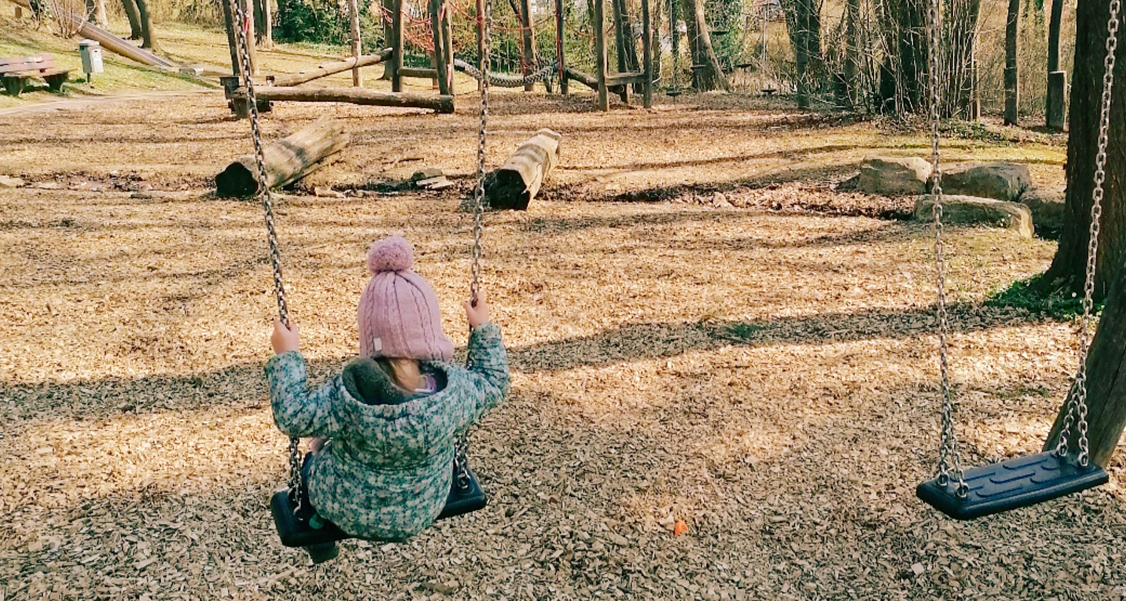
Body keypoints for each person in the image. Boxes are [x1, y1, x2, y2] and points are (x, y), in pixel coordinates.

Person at [266, 235, 509, 541]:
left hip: (345, 509)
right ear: (429, 329)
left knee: (312, 461)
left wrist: (287, 356)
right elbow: (495, 381)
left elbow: (293, 416)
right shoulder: (454, 392)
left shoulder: (347, 396)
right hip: (424, 506)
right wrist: (483, 328)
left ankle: (319, 538)